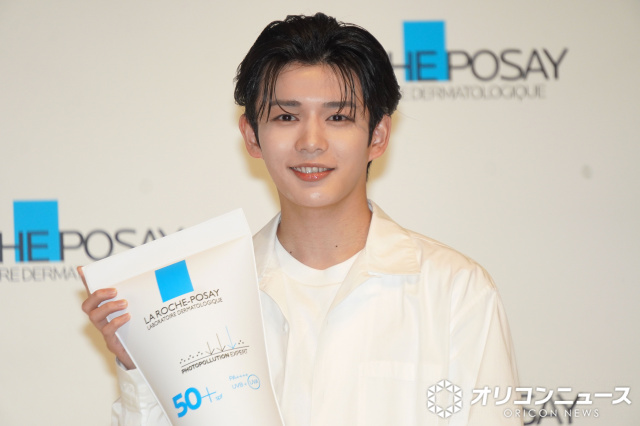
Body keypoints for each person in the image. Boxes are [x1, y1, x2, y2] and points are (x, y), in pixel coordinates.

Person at [82, 12, 521, 425]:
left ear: (378, 135)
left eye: (338, 116)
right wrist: (139, 361)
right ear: (252, 136)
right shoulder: (205, 297)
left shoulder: (455, 289)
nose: (311, 141)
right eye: (286, 116)